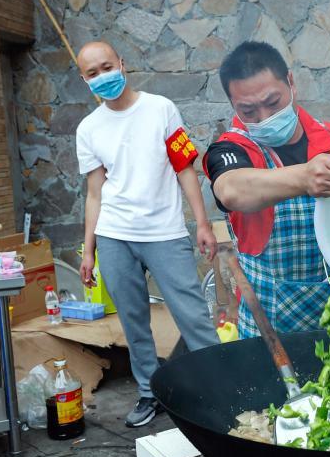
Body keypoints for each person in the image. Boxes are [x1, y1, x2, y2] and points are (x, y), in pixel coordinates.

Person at [75, 40, 221, 428]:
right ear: (85, 80)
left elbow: (185, 168)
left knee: (192, 316)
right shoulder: (88, 129)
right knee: (133, 321)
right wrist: (89, 250)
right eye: (93, 73)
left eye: (107, 67)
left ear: (122, 63)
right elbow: (94, 193)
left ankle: (220, 389)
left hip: (164, 233)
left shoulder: (161, 109)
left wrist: (202, 224)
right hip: (114, 236)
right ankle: (148, 392)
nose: (103, 76)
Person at [203, 41, 330, 338]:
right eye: (248, 110)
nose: (264, 118)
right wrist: (305, 178)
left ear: (291, 83)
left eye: (273, 102)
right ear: (234, 106)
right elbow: (231, 189)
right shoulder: (230, 149)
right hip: (268, 330)